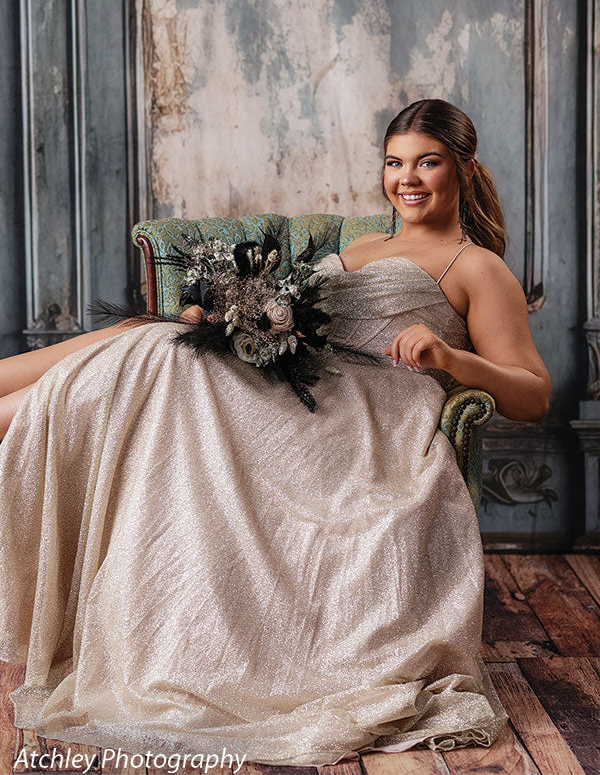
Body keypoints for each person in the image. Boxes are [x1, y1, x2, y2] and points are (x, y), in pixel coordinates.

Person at [0, 98, 549, 767]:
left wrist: (451, 359)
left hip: (362, 420)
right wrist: (235, 317)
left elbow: (533, 394)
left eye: (426, 163)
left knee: (159, 353)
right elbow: (305, 327)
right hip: (297, 388)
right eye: (394, 163)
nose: (406, 179)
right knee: (150, 338)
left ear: (463, 169)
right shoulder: (362, 247)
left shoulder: (477, 268)